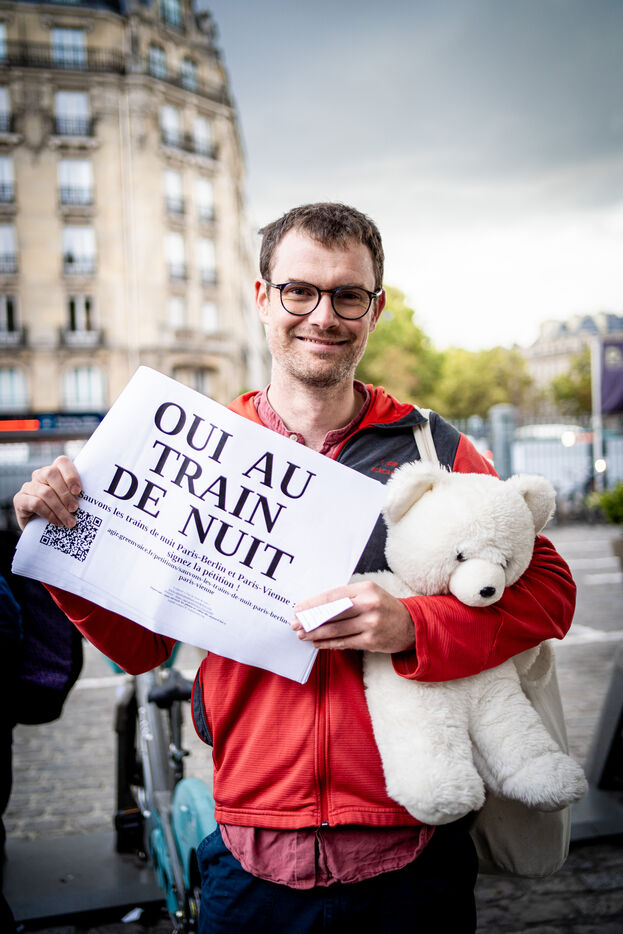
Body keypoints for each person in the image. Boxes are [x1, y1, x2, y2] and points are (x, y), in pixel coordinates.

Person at [13, 202, 576, 933]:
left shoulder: (434, 450)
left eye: (348, 296)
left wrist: (414, 625)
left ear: (375, 310)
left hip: (411, 843)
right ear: (262, 297)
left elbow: (550, 592)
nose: (322, 316)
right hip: (251, 847)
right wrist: (67, 545)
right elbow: (143, 648)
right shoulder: (194, 446)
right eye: (299, 291)